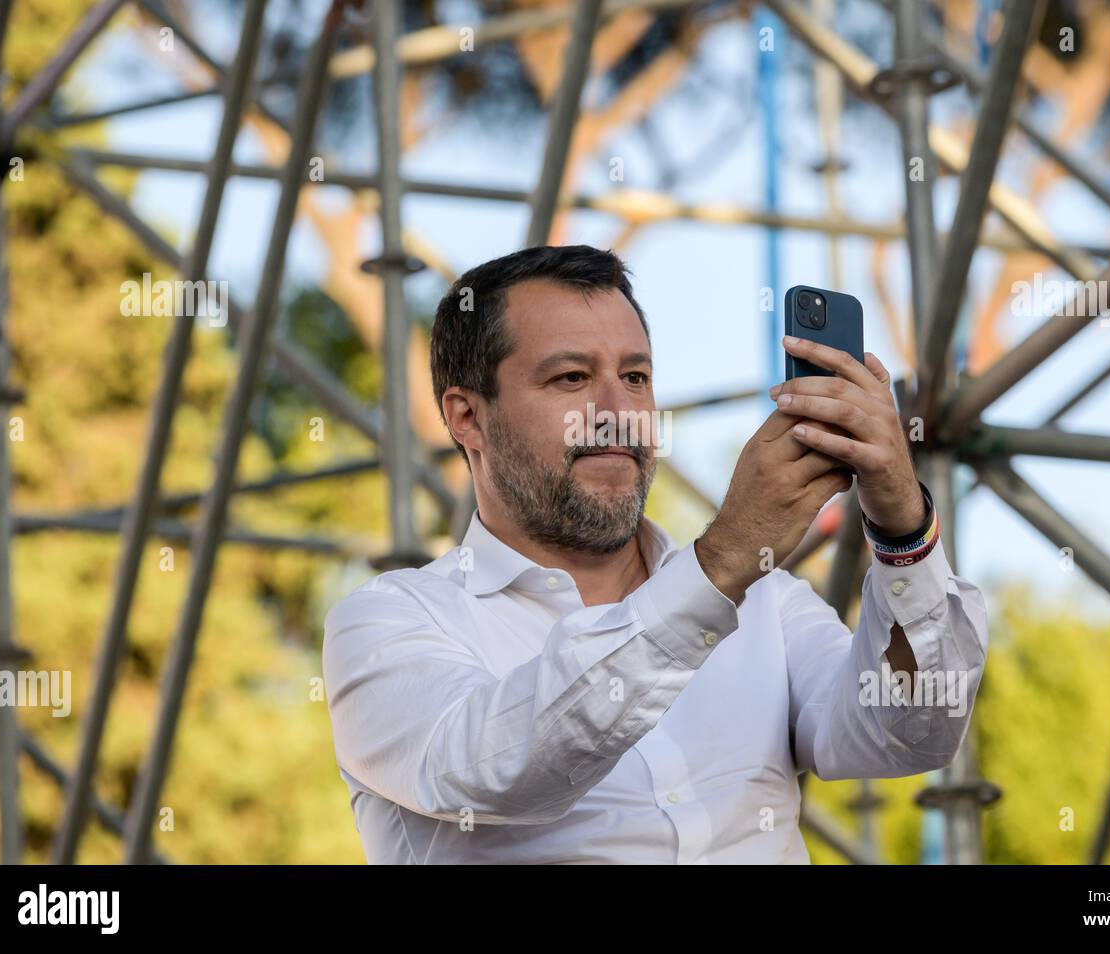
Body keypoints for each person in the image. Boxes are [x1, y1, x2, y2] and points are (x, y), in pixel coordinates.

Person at [323, 244, 988, 864]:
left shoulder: (769, 605)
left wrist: (903, 530)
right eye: (571, 377)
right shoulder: (387, 623)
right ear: (467, 417)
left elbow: (912, 733)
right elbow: (491, 771)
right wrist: (723, 561)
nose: (617, 411)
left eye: (635, 377)